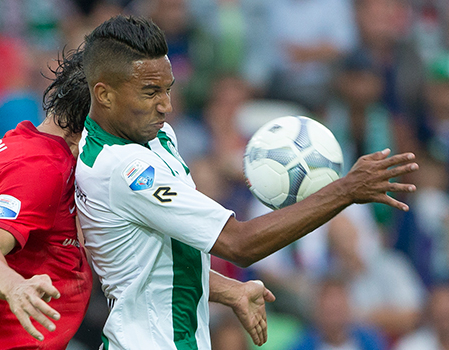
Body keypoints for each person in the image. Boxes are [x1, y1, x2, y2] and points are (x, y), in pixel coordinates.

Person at [0, 48, 276, 349]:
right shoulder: (40, 167)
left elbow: (136, 262)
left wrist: (231, 291)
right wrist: (15, 287)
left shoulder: (51, 157)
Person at [75, 15, 419, 350]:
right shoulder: (123, 170)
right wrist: (345, 190)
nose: (165, 105)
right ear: (104, 94)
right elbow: (240, 245)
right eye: (150, 92)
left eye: (168, 89)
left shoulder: (153, 135)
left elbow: (156, 265)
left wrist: (230, 290)